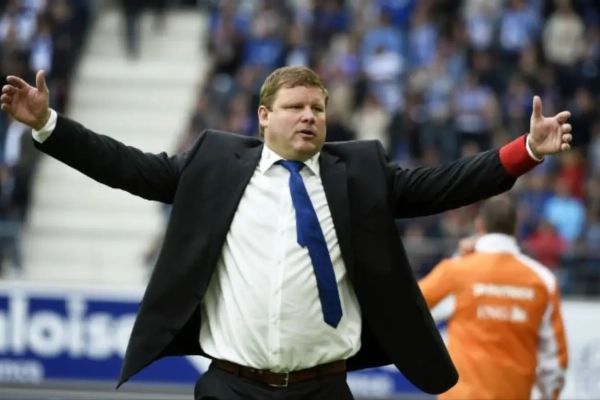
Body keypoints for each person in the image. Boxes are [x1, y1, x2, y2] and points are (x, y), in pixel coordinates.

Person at [1, 67, 572, 400]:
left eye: (317, 108)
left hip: (323, 389)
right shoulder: (214, 163)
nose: (309, 117)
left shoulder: (361, 172)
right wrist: (49, 124)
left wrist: (526, 151)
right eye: (295, 106)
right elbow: (129, 168)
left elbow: (443, 184)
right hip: (231, 387)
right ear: (263, 117)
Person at [419, 195, 569, 400]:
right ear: (516, 229)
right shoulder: (542, 280)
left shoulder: (456, 270)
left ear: (479, 226)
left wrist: (458, 257)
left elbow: (410, 307)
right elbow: (554, 358)